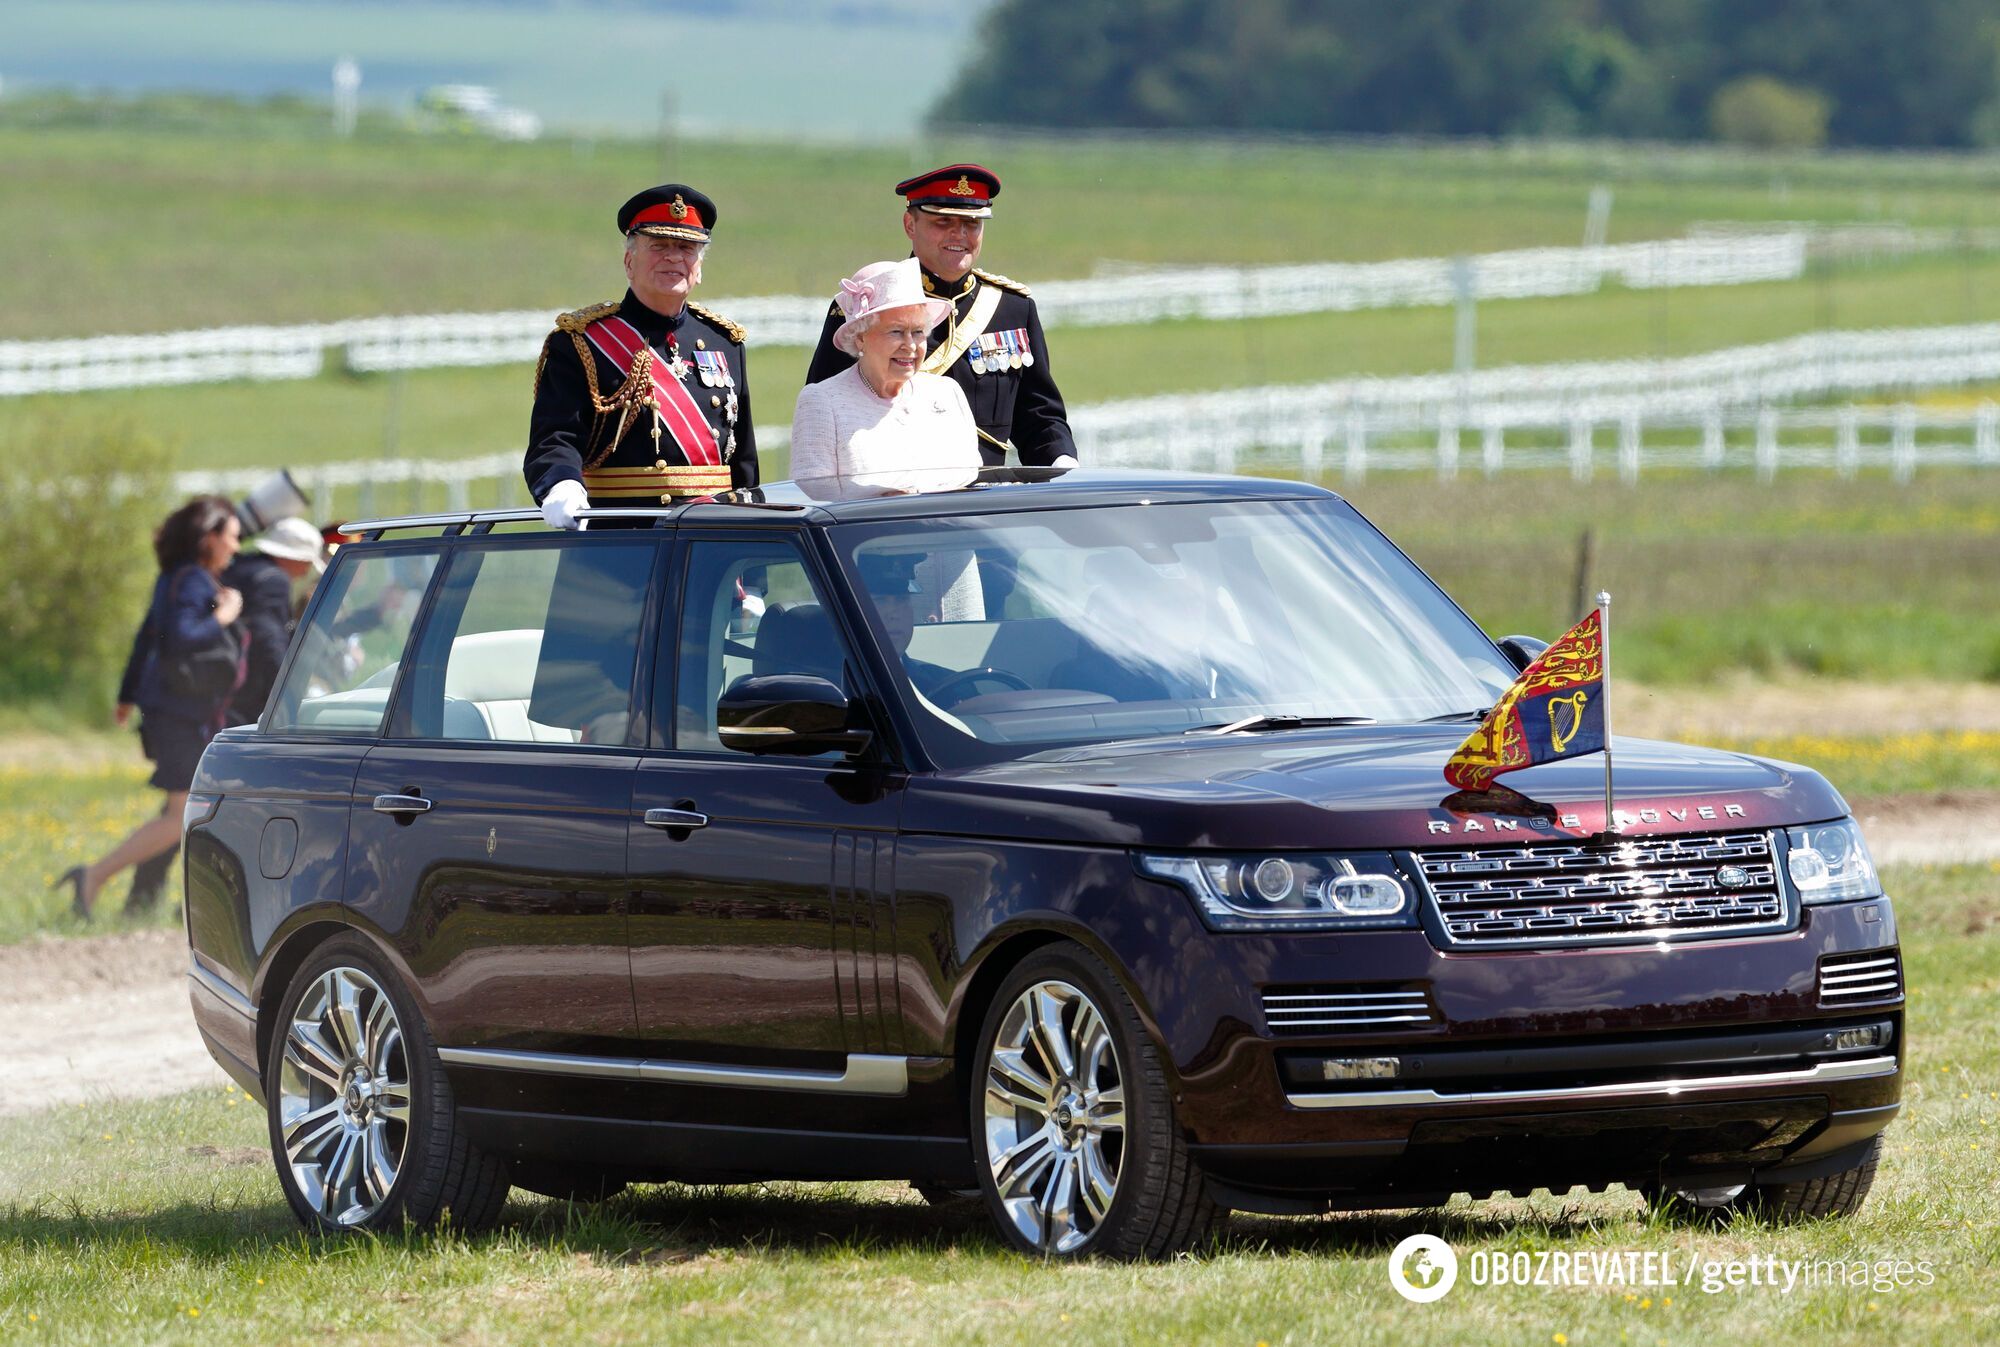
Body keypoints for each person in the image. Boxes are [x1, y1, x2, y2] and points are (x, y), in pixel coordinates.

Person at [804, 163, 1078, 470]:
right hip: (892, 496)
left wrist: (1062, 463)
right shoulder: (869, 304)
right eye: (943, 221)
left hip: (986, 501)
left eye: (972, 223)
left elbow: (1038, 417)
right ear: (910, 224)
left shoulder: (1011, 308)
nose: (959, 234)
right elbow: (826, 410)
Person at [117, 516, 328, 912]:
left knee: (188, 805)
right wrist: (290, 694)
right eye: (306, 562)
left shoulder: (239, 570)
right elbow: (268, 642)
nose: (305, 571)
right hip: (242, 708)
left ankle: (145, 894)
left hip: (210, 702)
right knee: (217, 808)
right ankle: (198, 899)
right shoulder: (274, 581)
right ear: (294, 559)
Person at [525, 184, 757, 527]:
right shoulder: (583, 341)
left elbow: (743, 462)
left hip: (712, 538)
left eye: (686, 247)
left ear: (699, 266)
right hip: (621, 537)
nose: (674, 257)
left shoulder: (724, 342)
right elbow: (555, 437)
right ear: (629, 261)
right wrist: (562, 485)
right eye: (659, 245)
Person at [64, 497, 245, 920]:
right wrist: (226, 615)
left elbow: (147, 639)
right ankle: (93, 876)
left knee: (183, 811)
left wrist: (127, 696)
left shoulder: (172, 578)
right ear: (210, 538)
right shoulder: (196, 583)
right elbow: (182, 636)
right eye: (232, 537)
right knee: (181, 813)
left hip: (168, 711)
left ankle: (166, 901)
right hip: (180, 715)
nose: (236, 547)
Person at [790, 258, 981, 499]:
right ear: (860, 337)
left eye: (918, 332)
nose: (910, 345)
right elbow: (813, 491)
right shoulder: (822, 401)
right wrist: (883, 497)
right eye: (896, 332)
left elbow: (970, 476)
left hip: (948, 531)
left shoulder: (946, 393)